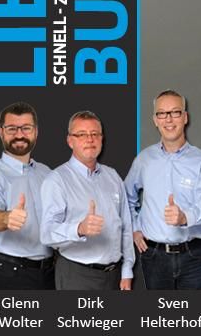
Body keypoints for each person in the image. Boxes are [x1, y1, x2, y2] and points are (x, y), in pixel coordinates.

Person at [124, 89, 201, 289]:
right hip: (154, 256)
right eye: (162, 113)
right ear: (155, 120)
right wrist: (135, 229)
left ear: (185, 117)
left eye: (175, 112)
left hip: (195, 256)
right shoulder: (144, 160)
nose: (168, 119)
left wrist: (185, 217)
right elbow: (126, 196)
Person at [40, 111, 134, 290]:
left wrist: (127, 269)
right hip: (77, 275)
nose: (90, 139)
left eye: (95, 134)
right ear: (70, 141)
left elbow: (126, 227)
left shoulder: (113, 176)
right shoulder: (56, 180)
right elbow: (47, 233)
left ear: (102, 139)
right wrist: (79, 229)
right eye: (82, 134)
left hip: (114, 276)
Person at [0, 102, 54, 289]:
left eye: (26, 128)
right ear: (1, 132)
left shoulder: (47, 173)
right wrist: (7, 218)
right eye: (12, 128)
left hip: (51, 271)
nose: (19, 135)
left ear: (36, 132)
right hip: (12, 274)